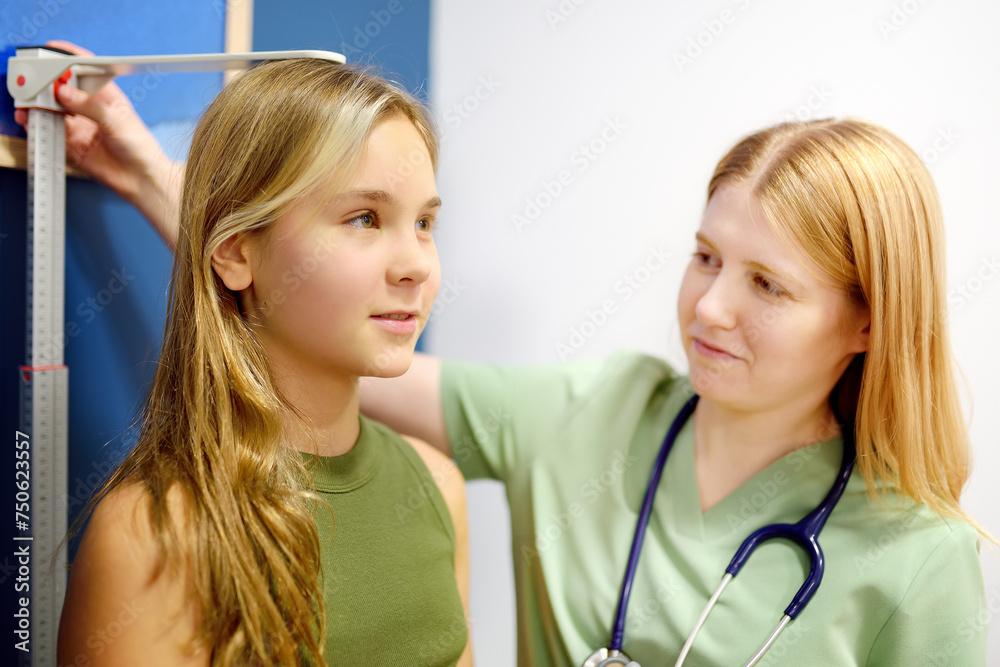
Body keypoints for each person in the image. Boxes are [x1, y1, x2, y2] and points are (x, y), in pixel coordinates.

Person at [34, 43, 989, 664]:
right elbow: (330, 334)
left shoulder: (921, 558)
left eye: (770, 286)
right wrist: (163, 182)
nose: (710, 306)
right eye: (705, 257)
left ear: (869, 322)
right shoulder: (595, 412)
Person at [41, 52, 473, 666]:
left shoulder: (438, 487)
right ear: (237, 253)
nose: (417, 265)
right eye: (364, 218)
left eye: (424, 222)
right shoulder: (153, 531)